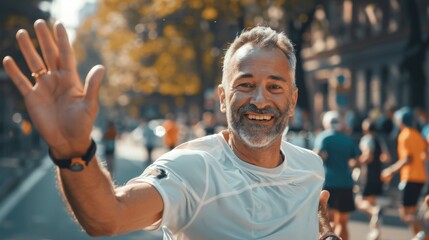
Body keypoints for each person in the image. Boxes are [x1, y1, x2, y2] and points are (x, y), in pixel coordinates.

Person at [2, 20, 340, 239]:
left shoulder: (310, 166)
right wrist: (72, 150)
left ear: (293, 100)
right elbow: (108, 216)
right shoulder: (193, 169)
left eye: (275, 87)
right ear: (223, 99)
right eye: (246, 84)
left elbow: (308, 215)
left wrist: (322, 232)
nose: (260, 99)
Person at [381, 107, 428, 238]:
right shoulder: (418, 135)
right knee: (411, 212)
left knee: (406, 214)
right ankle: (419, 236)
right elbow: (425, 154)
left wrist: (390, 170)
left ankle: (426, 234)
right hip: (421, 177)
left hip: (409, 177)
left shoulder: (404, 135)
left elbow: (407, 158)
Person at [313, 110, 361, 240]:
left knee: (329, 222)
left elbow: (318, 157)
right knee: (343, 222)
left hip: (328, 183)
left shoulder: (323, 137)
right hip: (346, 183)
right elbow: (356, 161)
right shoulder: (347, 139)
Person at [355, 118, 391, 240]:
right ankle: (375, 232)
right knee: (372, 201)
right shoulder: (379, 140)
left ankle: (374, 211)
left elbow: (368, 156)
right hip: (378, 174)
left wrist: (357, 162)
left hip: (368, 175)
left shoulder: (367, 139)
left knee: (360, 202)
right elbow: (386, 157)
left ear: (366, 128)